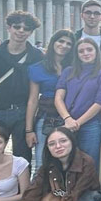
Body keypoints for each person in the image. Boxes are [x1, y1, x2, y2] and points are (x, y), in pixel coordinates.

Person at [0, 10, 44, 163]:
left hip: (22, 113)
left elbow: (34, 95)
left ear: (31, 32)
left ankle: (23, 187)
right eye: (17, 26)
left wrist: (29, 129)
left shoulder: (37, 56)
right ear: (9, 28)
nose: (21, 31)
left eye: (26, 28)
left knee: (23, 158)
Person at [54, 38, 101, 171]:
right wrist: (67, 119)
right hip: (67, 122)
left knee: (89, 163)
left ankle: (89, 191)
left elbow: (99, 102)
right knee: (65, 163)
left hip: (90, 125)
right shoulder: (68, 71)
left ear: (96, 52)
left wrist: (77, 123)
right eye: (81, 51)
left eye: (89, 50)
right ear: (77, 55)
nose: (85, 53)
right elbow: (58, 97)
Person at [24, 30, 75, 172]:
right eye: (61, 41)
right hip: (46, 118)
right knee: (42, 162)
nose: (64, 45)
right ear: (53, 42)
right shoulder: (37, 68)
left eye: (68, 44)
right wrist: (29, 130)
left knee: (69, 162)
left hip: (70, 118)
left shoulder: (75, 67)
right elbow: (33, 100)